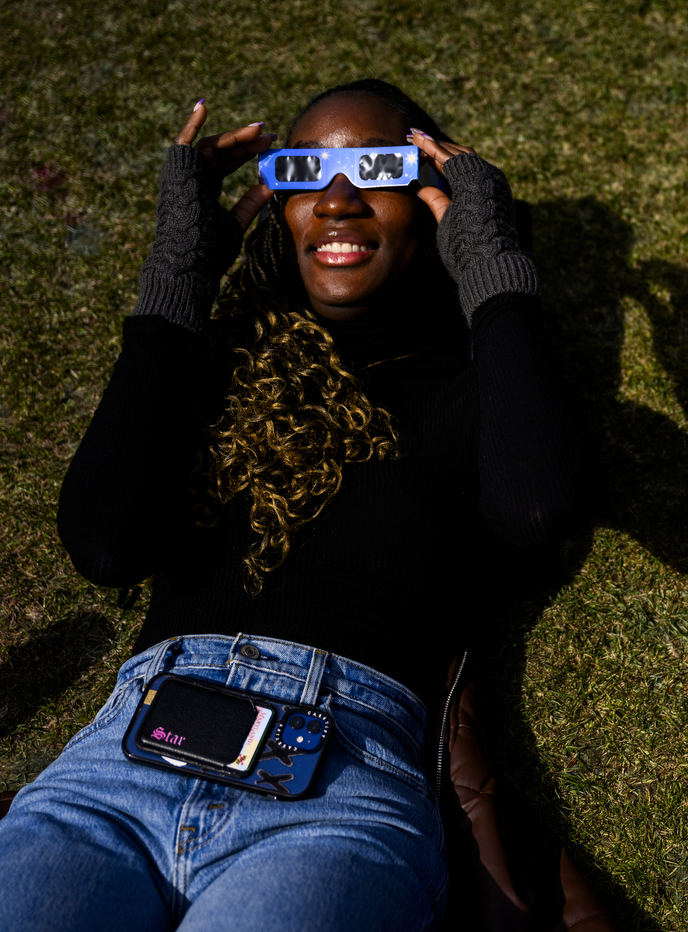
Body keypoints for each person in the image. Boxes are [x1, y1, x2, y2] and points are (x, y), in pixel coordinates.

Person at [0, 80, 590, 931]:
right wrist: (180, 271)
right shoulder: (216, 374)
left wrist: (491, 266)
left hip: (335, 792)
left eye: (377, 168)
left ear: (432, 203)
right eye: (307, 170)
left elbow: (541, 504)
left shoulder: (476, 389)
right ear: (280, 207)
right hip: (117, 777)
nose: (339, 198)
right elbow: (105, 542)